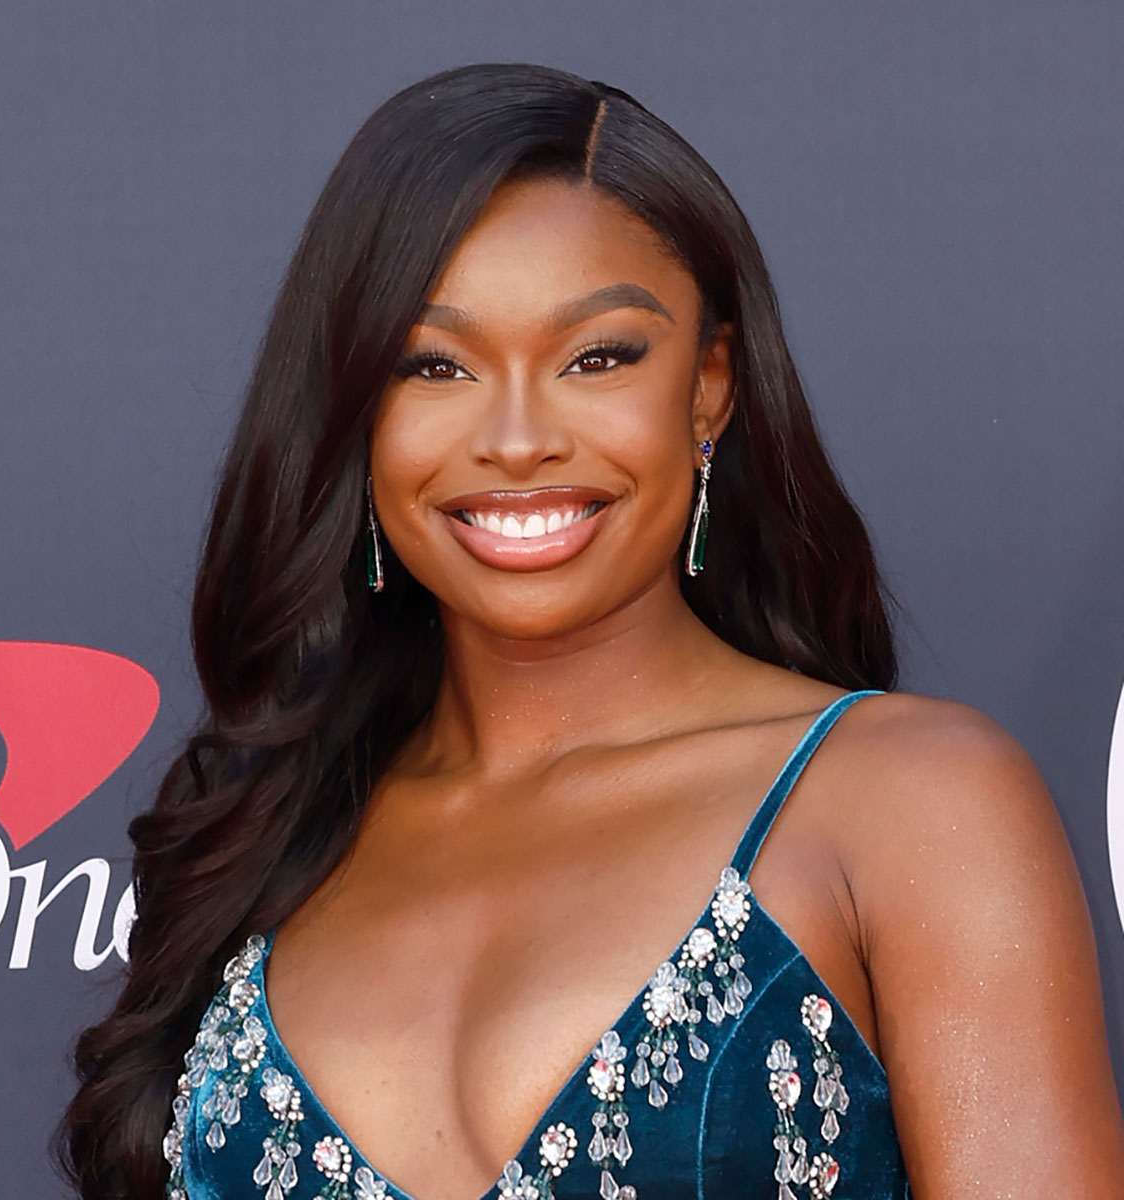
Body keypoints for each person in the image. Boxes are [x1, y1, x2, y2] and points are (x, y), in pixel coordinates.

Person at [59, 62, 1124, 1200]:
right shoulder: (264, 837)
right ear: (357, 409)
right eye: (435, 365)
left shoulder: (910, 801)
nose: (519, 439)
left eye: (598, 357)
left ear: (709, 386)